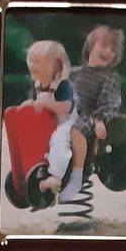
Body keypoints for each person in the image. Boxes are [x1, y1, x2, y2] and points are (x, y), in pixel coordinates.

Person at [66, 25, 125, 201]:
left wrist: (100, 120)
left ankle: (76, 175)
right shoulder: (73, 73)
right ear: (91, 45)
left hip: (88, 121)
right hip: (67, 116)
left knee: (75, 129)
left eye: (113, 49)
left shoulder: (109, 79)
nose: (108, 51)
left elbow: (109, 106)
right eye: (104, 45)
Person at [21, 40, 77, 201]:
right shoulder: (38, 84)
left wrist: (48, 104)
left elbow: (66, 108)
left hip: (65, 122)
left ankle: (56, 176)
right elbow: (37, 103)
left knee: (59, 139)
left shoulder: (62, 85)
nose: (32, 65)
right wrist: (30, 104)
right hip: (47, 123)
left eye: (38, 61)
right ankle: (31, 168)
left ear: (55, 66)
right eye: (31, 60)